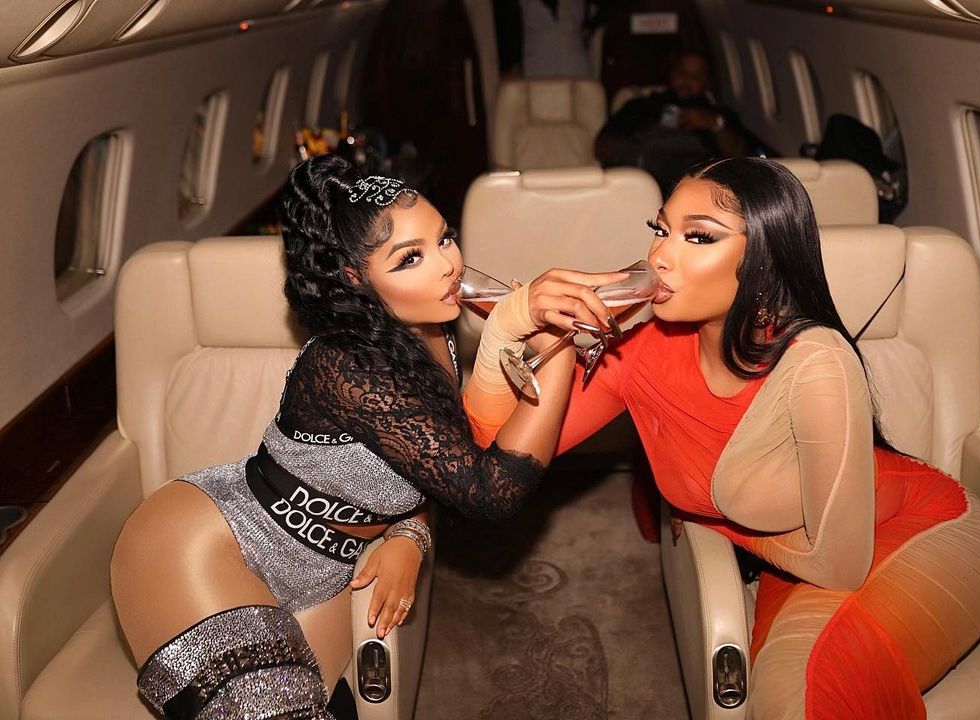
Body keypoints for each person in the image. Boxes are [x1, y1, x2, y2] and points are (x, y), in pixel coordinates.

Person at [464, 157, 980, 718]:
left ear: (763, 260)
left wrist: (711, 518)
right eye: (660, 230)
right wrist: (510, 330)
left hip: (923, 531)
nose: (659, 256)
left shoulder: (812, 360)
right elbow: (486, 463)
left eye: (699, 237)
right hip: (796, 561)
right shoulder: (638, 354)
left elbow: (839, 565)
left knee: (817, 684)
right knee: (789, 697)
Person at [109, 154, 625, 719]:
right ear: (355, 278)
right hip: (209, 546)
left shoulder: (433, 321)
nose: (448, 265)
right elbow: (488, 490)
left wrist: (409, 532)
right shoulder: (347, 363)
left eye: (445, 238)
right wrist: (557, 347)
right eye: (410, 258)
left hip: (327, 566)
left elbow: (442, 457)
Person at [594, 51, 765, 195]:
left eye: (695, 77)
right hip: (642, 186)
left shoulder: (719, 116)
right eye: (682, 73)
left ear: (706, 83)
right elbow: (601, 148)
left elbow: (740, 156)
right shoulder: (640, 106)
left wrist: (713, 123)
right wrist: (642, 138)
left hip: (698, 188)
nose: (687, 80)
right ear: (672, 75)